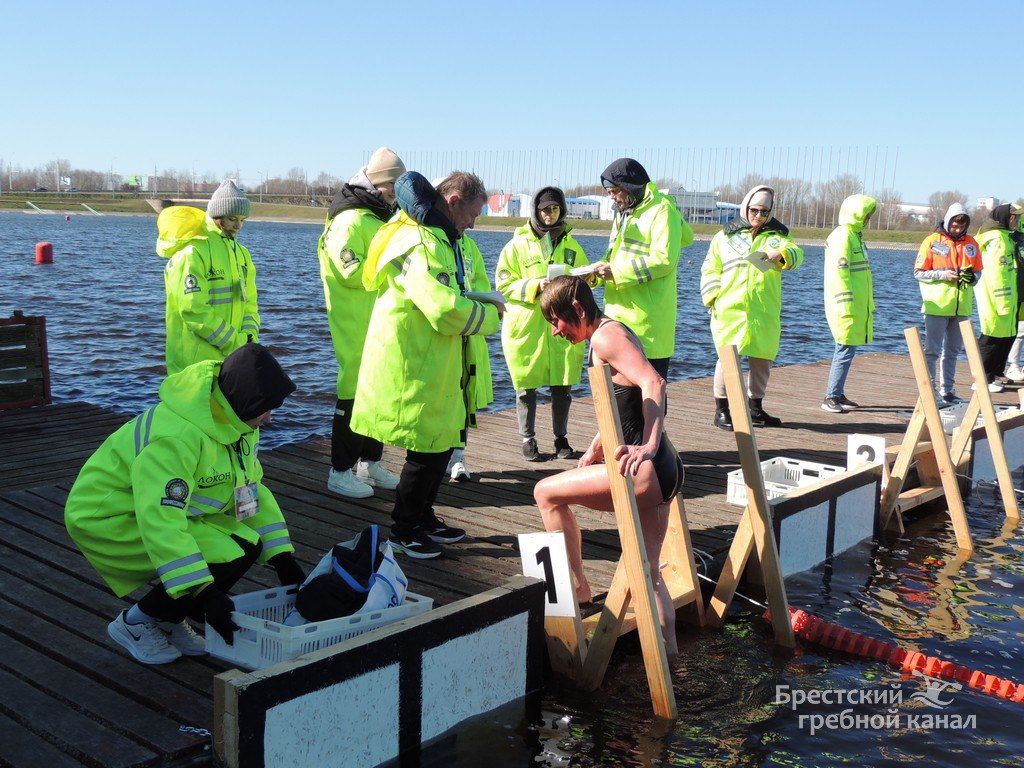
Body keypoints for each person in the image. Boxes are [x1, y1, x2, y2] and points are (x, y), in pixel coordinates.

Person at [64, 344, 305, 665]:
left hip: (164, 509)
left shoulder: (238, 424)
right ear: (246, 401)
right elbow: (160, 518)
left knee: (245, 546)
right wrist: (203, 593)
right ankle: (135, 623)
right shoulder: (177, 437)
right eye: (265, 408)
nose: (269, 418)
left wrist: (281, 557)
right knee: (217, 556)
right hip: (108, 516)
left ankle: (167, 618)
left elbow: (249, 492)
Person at [350, 172, 500, 558]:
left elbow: (448, 293)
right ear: (452, 203)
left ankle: (422, 516)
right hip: (415, 359)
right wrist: (492, 317)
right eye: (472, 213)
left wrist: (478, 300)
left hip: (433, 359)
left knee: (441, 441)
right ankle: (404, 529)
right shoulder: (421, 241)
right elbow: (443, 307)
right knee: (427, 448)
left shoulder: (436, 235)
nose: (474, 223)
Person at [533, 276, 684, 655]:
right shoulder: (613, 328)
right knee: (650, 574)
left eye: (557, 321)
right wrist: (597, 446)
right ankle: (673, 660)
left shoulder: (603, 338)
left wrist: (647, 445)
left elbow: (654, 384)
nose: (555, 331)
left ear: (580, 310)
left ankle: (580, 587)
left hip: (643, 471)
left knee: (546, 494)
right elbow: (624, 402)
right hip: (667, 472)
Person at [317, 147, 406, 498]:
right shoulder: (350, 219)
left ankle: (369, 462)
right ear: (379, 183)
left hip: (378, 319)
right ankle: (339, 470)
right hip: (356, 320)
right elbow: (349, 271)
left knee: (379, 392)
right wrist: (398, 270)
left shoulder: (375, 215)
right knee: (353, 392)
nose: (396, 195)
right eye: (393, 187)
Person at [496, 187, 590, 462]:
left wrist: (589, 278)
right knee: (526, 386)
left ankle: (561, 439)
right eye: (545, 209)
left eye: (555, 209)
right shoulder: (516, 246)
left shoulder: (572, 246)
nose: (550, 214)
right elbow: (504, 283)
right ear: (536, 211)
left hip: (561, 327)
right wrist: (536, 285)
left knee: (563, 386)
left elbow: (582, 278)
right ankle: (528, 438)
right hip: (528, 327)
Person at [700, 185, 804, 429]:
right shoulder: (724, 236)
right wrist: (712, 298)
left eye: (764, 211)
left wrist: (781, 254)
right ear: (745, 207)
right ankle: (722, 410)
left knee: (762, 360)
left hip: (763, 310)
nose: (759, 215)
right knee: (726, 360)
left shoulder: (779, 236)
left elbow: (797, 255)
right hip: (730, 309)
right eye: (754, 210)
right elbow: (710, 269)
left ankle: (755, 408)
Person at [591, 158, 693, 378]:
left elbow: (664, 260)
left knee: (647, 401)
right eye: (608, 192)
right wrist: (595, 275)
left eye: (614, 191)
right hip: (619, 320)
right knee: (621, 404)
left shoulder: (661, 211)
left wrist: (616, 273)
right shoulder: (625, 212)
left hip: (648, 326)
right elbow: (614, 257)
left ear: (629, 187)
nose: (611, 197)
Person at [162, 179, 260, 375]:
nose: (239, 226)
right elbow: (193, 310)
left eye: (242, 220)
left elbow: (250, 304)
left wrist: (249, 339)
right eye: (233, 219)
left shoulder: (242, 254)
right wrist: (235, 343)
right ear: (218, 215)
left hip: (231, 360)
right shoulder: (192, 253)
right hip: (194, 363)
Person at [914, 202, 983, 404]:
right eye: (954, 225)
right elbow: (918, 273)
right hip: (937, 305)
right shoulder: (932, 241)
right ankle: (930, 391)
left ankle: (948, 390)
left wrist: (974, 278)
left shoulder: (971, 243)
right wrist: (944, 275)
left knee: (952, 351)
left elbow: (978, 271)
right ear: (947, 221)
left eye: (961, 226)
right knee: (932, 351)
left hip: (962, 307)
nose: (957, 229)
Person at [821, 194, 877, 413]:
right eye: (866, 214)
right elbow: (839, 274)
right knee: (843, 348)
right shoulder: (843, 236)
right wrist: (845, 305)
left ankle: (838, 392)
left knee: (847, 349)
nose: (868, 219)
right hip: (845, 306)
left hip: (855, 305)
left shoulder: (855, 236)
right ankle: (830, 396)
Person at [447, 229, 494, 481]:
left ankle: (457, 456)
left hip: (469, 335)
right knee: (444, 397)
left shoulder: (469, 246)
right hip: (444, 336)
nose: (473, 221)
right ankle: (438, 456)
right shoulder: (431, 240)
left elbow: (483, 285)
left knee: (465, 397)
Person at [975, 203, 1023, 392]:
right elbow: (996, 272)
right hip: (996, 296)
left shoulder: (1004, 236)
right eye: (1015, 218)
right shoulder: (996, 239)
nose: (1017, 221)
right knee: (992, 336)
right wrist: (1002, 299)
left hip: (1008, 297)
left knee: (1006, 335)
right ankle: (982, 379)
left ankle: (993, 374)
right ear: (1006, 217)